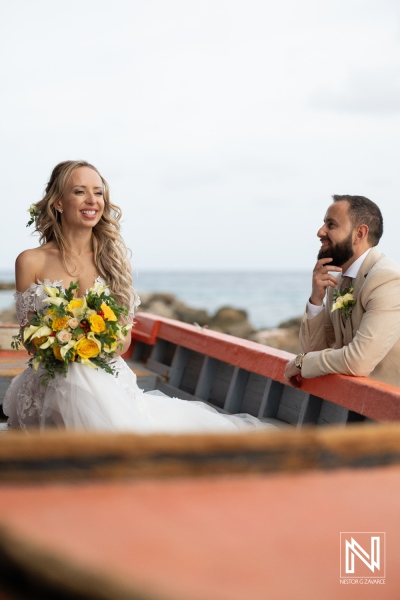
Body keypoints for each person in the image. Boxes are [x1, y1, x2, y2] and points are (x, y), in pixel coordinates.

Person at [4, 160, 275, 433]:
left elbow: (123, 342)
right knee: (73, 380)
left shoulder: (114, 263)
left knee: (88, 388)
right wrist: (68, 346)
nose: (92, 200)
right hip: (49, 383)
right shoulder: (30, 261)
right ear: (58, 202)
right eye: (79, 191)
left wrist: (87, 344)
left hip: (106, 380)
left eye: (98, 192)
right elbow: (31, 340)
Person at [284, 194, 400, 388]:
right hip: (357, 401)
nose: (320, 232)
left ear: (360, 233)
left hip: (391, 410)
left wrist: (301, 362)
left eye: (331, 225)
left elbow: (359, 361)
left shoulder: (387, 279)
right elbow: (316, 351)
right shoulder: (337, 282)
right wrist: (316, 300)